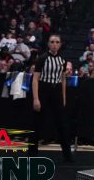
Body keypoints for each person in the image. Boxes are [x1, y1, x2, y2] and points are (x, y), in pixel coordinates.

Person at [29, 34, 74, 163]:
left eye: (57, 42)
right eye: (52, 42)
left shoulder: (63, 59)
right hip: (43, 89)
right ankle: (31, 153)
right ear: (48, 44)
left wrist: (63, 97)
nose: (54, 44)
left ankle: (67, 155)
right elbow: (35, 79)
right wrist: (36, 98)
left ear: (60, 44)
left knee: (62, 124)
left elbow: (63, 79)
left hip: (57, 91)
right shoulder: (42, 58)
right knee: (36, 123)